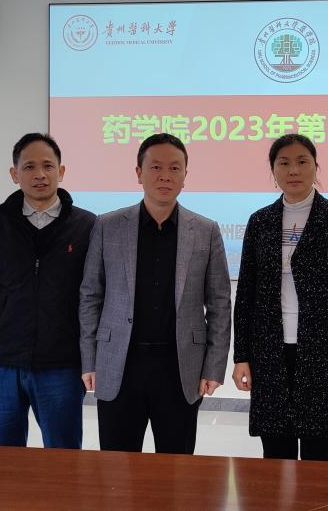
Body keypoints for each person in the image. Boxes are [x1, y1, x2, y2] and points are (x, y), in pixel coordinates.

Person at [79, 133, 231, 454]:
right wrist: (89, 360)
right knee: (116, 468)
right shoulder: (108, 226)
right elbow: (91, 295)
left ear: (185, 175)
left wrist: (213, 366)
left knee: (177, 469)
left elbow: (219, 303)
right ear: (139, 173)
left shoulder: (205, 230)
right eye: (156, 167)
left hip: (180, 367)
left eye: (175, 168)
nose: (165, 176)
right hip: (120, 364)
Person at [231, 134, 328, 461]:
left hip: (324, 352)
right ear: (273, 170)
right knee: (275, 453)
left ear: (316, 166)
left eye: (302, 161)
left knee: (319, 455)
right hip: (269, 352)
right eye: (284, 163)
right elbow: (246, 294)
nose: (293, 170)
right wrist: (241, 356)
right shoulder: (260, 222)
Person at [0, 133, 96, 448]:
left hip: (62, 362)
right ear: (15, 174)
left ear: (61, 172)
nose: (40, 174)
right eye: (29, 167)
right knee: (3, 453)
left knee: (63, 453)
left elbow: (95, 296)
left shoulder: (87, 226)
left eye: (48, 166)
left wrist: (92, 356)